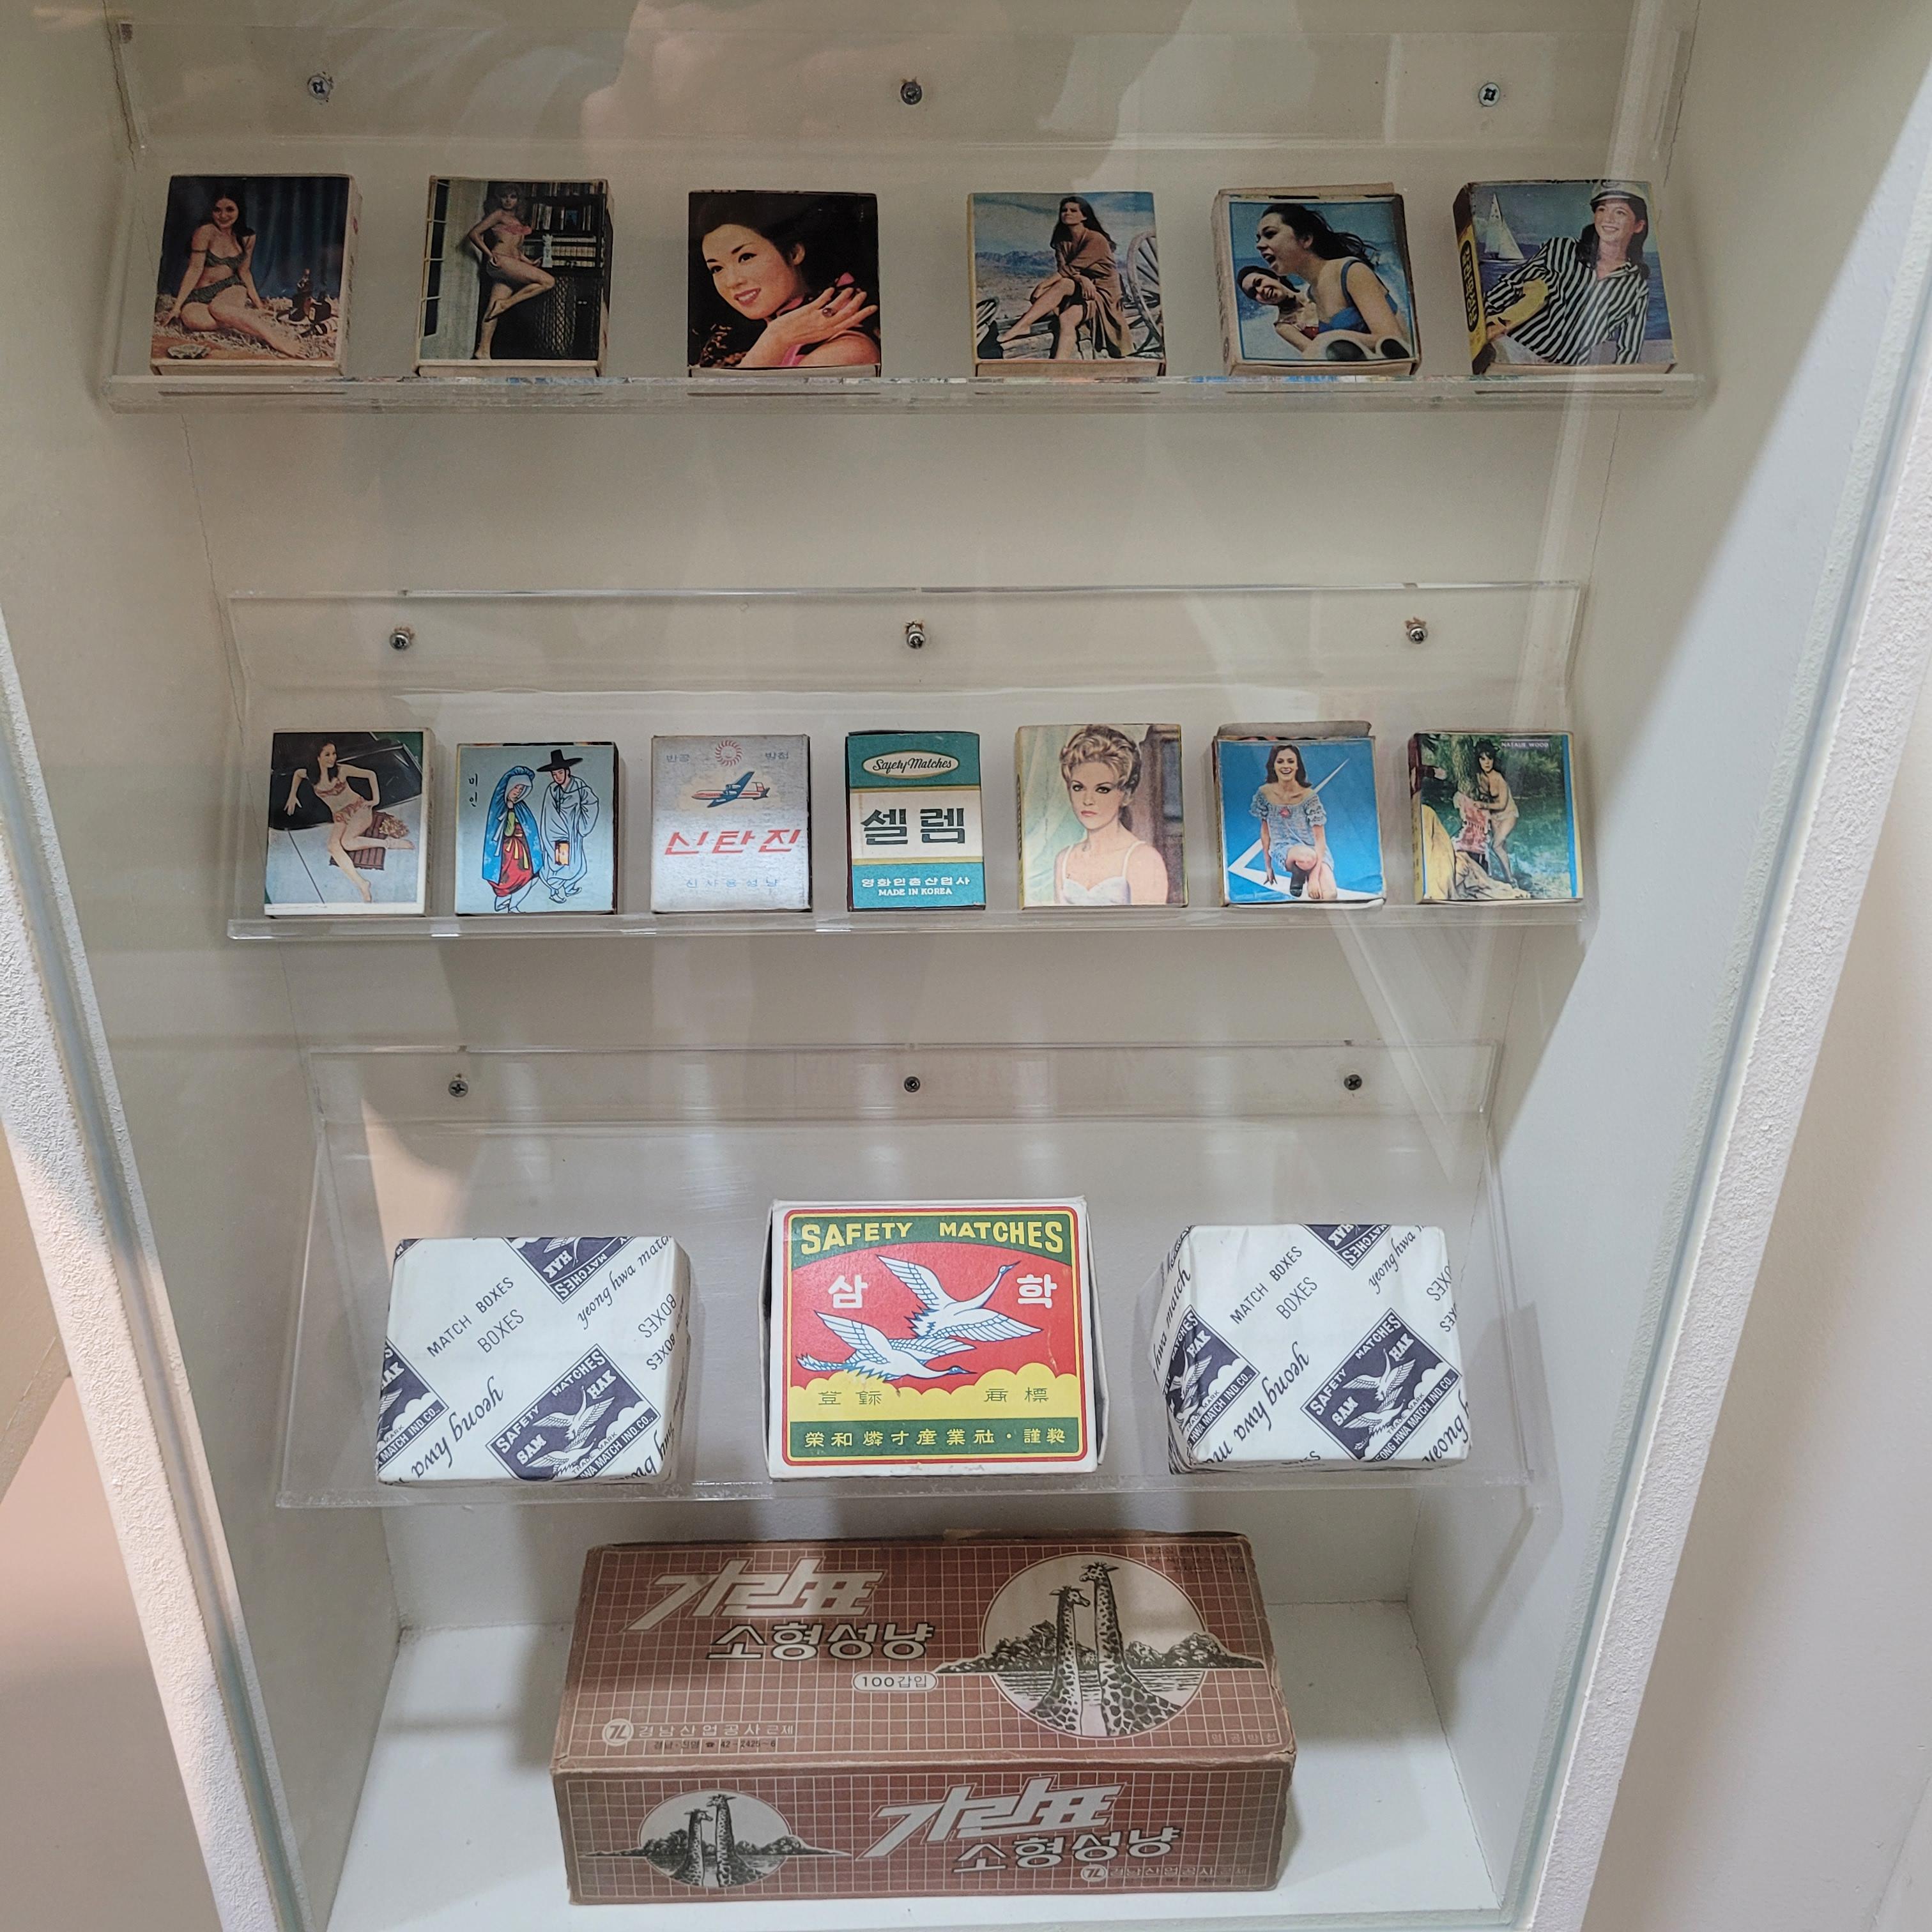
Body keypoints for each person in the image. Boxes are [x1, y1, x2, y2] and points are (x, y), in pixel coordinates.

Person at [691, 193, 880, 371]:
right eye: (717, 269)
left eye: (746, 257)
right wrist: (775, 339)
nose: (732, 282)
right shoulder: (735, 340)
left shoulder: (846, 349)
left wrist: (775, 339)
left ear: (794, 253)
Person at [1480, 183, 1653, 367]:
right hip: (1511, 351)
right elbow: (1512, 285)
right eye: (1602, 209)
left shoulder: (1637, 288)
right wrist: (1481, 323)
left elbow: (1630, 348)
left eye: (1620, 212)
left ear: (1638, 226)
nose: (1608, 219)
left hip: (1565, 371)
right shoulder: (1561, 248)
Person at [1242, 203, 1411, 362]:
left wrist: (1328, 340)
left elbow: (1393, 341)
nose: (1259, 246)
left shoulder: (1351, 271)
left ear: (1306, 239)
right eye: (1258, 239)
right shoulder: (1312, 293)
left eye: (1270, 234)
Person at [158, 185, 309, 360]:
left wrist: (258, 304)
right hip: (200, 294)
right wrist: (177, 307)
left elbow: (244, 272)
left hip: (230, 287)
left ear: (240, 210)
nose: (223, 216)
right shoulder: (205, 232)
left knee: (219, 308)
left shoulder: (247, 237)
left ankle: (276, 339)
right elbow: (195, 269)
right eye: (217, 210)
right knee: (193, 321)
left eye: (230, 209)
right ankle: (244, 317)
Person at [280, 741, 415, 905]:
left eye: (334, 754)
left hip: (359, 809)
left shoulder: (342, 771)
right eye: (327, 754)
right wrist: (292, 795)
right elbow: (297, 774)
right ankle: (362, 884)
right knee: (332, 846)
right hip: (340, 816)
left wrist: (375, 800)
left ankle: (390, 843)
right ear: (317, 758)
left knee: (347, 843)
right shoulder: (310, 775)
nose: (332, 758)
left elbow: (371, 774)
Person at [997, 197, 1131, 362]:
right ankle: (1023, 326)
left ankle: (1059, 362)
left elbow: (1071, 268)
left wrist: (1042, 286)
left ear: (1084, 216)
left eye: (1073, 211)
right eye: (1064, 210)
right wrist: (1082, 279)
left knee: (1066, 318)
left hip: (1104, 293)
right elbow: (1065, 270)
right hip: (1081, 287)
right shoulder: (1062, 241)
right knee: (1065, 283)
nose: (1067, 213)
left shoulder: (1096, 239)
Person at [1052, 726, 1170, 905]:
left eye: (1102, 789)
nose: (1088, 800)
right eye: (1078, 787)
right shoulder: (1064, 860)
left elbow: (1151, 923)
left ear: (1126, 795)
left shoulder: (1143, 859)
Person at [464, 182, 555, 360]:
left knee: (494, 306)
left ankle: (483, 351)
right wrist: (489, 254)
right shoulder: (498, 215)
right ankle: (507, 304)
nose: (508, 200)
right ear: (498, 199)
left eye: (513, 197)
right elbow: (474, 233)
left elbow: (515, 249)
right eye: (504, 196)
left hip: (511, 262)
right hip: (501, 260)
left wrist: (528, 261)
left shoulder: (519, 222)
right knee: (548, 282)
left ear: (518, 200)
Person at [1251, 743, 1337, 900]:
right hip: (1285, 848)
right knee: (1307, 858)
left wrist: (1314, 879)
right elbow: (1265, 832)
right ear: (1273, 765)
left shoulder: (1309, 797)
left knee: (1330, 894)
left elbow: (1320, 839)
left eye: (1291, 761)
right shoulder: (1264, 794)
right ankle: (1299, 871)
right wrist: (1268, 867)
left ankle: (1302, 873)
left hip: (1315, 850)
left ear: (1298, 766)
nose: (1286, 766)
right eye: (1280, 761)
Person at [535, 748, 599, 903]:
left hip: (573, 832)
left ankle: (569, 887)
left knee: (577, 863)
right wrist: (555, 832)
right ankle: (554, 891)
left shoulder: (579, 786)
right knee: (560, 864)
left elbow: (591, 803)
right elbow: (548, 812)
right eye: (554, 774)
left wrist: (581, 824)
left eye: (560, 773)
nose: (557, 777)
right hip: (557, 834)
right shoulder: (552, 790)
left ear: (567, 771)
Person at [1453, 742, 1519, 883]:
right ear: (1478, 760)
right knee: (1500, 847)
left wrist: (1484, 805)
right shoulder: (1478, 777)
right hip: (1494, 816)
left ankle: (1510, 879)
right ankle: (1506, 876)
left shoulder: (1499, 778)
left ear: (1494, 760)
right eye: (1483, 759)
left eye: (1490, 758)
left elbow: (1502, 804)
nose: (1487, 762)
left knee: (1496, 845)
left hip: (1508, 814)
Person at [481, 765, 543, 910]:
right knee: (509, 880)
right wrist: (510, 810)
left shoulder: (520, 807)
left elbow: (530, 829)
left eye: (521, 789)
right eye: (516, 788)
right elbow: (507, 831)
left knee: (530, 877)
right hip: (508, 854)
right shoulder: (501, 807)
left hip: (522, 850)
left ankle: (512, 905)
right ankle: (504, 904)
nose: (518, 792)